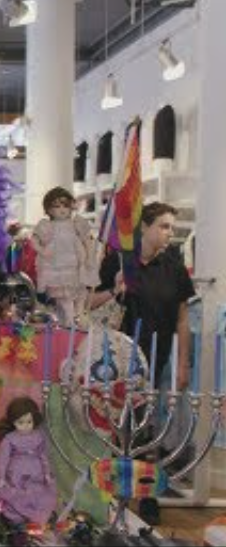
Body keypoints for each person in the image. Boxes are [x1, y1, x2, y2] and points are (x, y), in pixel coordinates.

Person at [91, 202, 195, 526]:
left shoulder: (174, 267)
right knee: (115, 429)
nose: (169, 233)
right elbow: (88, 302)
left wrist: (182, 364)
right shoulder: (118, 261)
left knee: (150, 429)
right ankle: (109, 493)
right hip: (117, 363)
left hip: (159, 360)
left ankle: (147, 496)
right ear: (145, 227)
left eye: (172, 227)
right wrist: (114, 288)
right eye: (164, 226)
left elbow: (181, 320)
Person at [32, 187, 99, 324]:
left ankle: (77, 317)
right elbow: (34, 240)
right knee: (64, 298)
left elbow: (87, 239)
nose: (62, 209)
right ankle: (69, 321)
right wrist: (42, 251)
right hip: (56, 265)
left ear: (71, 207)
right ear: (49, 210)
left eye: (65, 205)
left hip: (75, 264)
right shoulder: (47, 226)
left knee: (79, 294)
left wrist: (90, 254)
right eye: (57, 206)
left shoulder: (76, 224)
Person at [0, 397, 56, 525]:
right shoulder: (10, 438)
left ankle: (35, 517)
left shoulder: (38, 436)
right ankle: (17, 518)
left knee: (38, 494)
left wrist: (47, 473)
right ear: (13, 422)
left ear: (34, 420)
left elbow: (44, 456)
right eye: (21, 422)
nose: (25, 426)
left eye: (29, 422)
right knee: (17, 495)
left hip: (37, 473)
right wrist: (1, 477)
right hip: (16, 473)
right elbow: (2, 459)